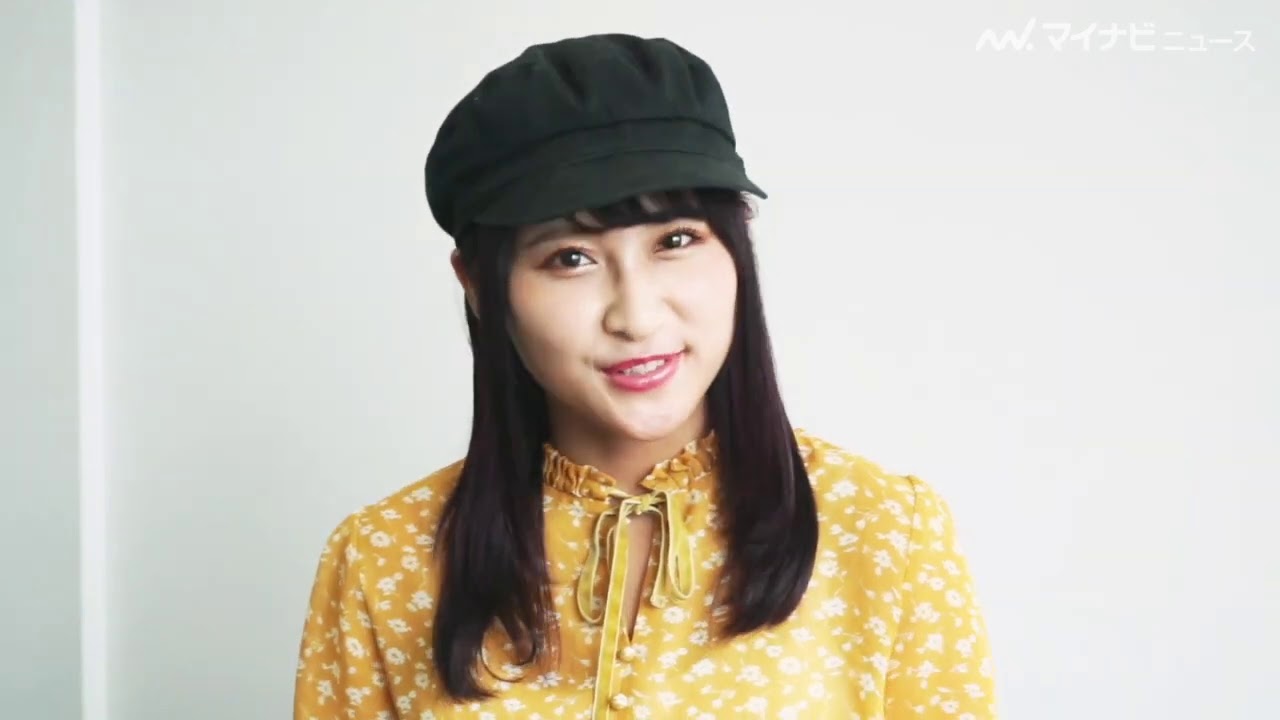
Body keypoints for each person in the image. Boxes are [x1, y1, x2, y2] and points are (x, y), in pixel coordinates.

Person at [292, 33, 997, 719]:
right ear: (478, 283)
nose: (635, 316)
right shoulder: (382, 561)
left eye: (676, 240)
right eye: (571, 258)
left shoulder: (884, 532)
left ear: (739, 244)